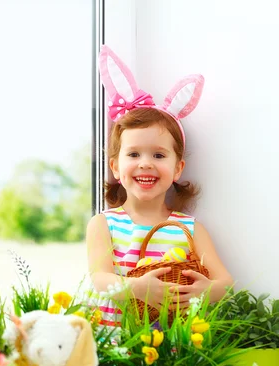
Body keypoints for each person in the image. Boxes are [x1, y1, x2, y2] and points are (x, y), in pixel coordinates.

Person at [86, 45, 234, 326]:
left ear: (177, 168)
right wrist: (135, 287)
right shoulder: (104, 224)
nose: (145, 164)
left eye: (158, 155)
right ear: (115, 167)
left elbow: (225, 283)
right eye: (133, 154)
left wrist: (206, 291)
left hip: (172, 349)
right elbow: (100, 279)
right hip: (115, 346)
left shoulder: (190, 229)